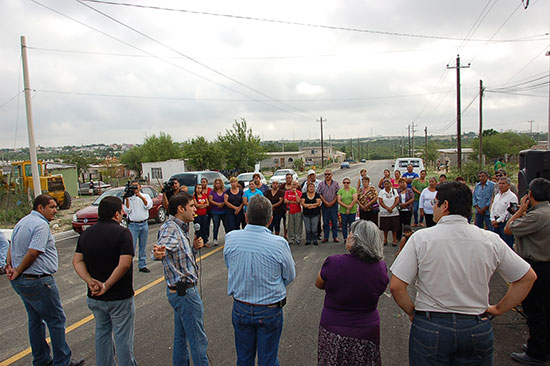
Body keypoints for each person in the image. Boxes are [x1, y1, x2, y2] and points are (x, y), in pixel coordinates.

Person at [390, 182, 537, 366]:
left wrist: (413, 312)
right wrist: (499, 309)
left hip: (430, 325)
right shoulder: (490, 239)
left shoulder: (421, 238)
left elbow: (396, 286)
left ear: (445, 206)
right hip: (475, 326)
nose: (433, 207)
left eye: (435, 202)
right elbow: (527, 277)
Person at [6, 194, 84, 366]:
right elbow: (34, 252)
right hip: (38, 281)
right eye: (51, 207)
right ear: (40, 208)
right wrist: (17, 269)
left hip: (22, 281)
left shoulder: (22, 222)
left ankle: (41, 359)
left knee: (35, 319)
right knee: (56, 320)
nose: (55, 210)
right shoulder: (40, 225)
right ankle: (62, 361)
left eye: (56, 207)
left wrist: (9, 266)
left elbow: (11, 245)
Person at [224, 195, 296, 366]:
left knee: (244, 359)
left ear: (246, 217)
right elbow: (289, 275)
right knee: (268, 359)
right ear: (271, 220)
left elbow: (230, 266)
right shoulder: (279, 243)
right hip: (269, 308)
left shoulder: (231, 238)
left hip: (241, 305)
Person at [72, 196, 137, 366]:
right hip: (119, 297)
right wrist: (106, 285)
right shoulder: (123, 233)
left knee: (102, 333)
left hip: (95, 297)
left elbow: (77, 261)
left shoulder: (86, 235)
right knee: (123, 337)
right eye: (122, 211)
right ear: (116, 214)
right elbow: (124, 264)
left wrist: (90, 281)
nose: (123, 214)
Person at [315, 220, 388, 366]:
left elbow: (319, 283)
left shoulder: (334, 262)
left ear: (357, 239)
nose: (348, 236)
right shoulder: (380, 268)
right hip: (367, 329)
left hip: (334, 326)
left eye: (351, 233)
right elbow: (379, 290)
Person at [153, 192, 209, 366]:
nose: (195, 209)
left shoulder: (180, 227)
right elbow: (162, 249)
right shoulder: (171, 229)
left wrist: (193, 248)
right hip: (185, 295)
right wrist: (158, 253)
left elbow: (178, 257)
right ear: (180, 209)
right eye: (192, 206)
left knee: (181, 338)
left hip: (180, 293)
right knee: (198, 340)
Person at [505, 178, 550, 365]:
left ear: (530, 195)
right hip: (545, 266)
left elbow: (508, 228)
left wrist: (521, 211)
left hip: (536, 266)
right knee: (545, 309)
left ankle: (536, 352)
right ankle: (543, 345)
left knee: (534, 311)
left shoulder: (537, 216)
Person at [124, 180, 153, 273]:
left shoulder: (146, 196)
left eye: (136, 186)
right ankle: (128, 266)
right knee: (131, 246)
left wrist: (140, 196)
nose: (135, 188)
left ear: (140, 187)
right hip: (133, 224)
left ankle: (142, 265)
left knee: (143, 246)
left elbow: (148, 206)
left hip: (144, 223)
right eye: (133, 186)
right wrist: (127, 198)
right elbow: (127, 210)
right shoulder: (129, 198)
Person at [490, 176, 518, 248]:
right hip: (495, 222)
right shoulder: (497, 195)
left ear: (508, 185)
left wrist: (498, 221)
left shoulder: (513, 197)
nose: (501, 185)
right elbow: (493, 207)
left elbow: (510, 211)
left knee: (507, 244)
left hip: (505, 223)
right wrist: (492, 219)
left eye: (503, 183)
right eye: (500, 183)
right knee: (497, 244)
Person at [318, 169, 340, 243]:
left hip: (334, 205)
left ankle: (335, 236)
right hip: (325, 205)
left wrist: (333, 202)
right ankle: (326, 237)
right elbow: (319, 194)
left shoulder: (336, 183)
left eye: (329, 174)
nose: (327, 176)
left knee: (334, 221)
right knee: (325, 222)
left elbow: (338, 193)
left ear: (332, 175)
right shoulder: (321, 184)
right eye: (326, 174)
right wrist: (325, 202)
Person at [378, 179, 400, 245]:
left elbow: (397, 200)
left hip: (394, 212)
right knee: (385, 227)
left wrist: (392, 207)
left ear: (391, 184)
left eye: (388, 184)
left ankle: (394, 239)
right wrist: (387, 208)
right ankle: (385, 239)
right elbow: (380, 201)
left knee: (394, 227)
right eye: (385, 184)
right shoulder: (382, 192)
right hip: (384, 212)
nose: (386, 185)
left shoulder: (394, 191)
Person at [209, 178, 229, 246]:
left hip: (224, 211)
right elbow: (210, 200)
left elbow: (227, 199)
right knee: (216, 226)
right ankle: (215, 239)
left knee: (226, 225)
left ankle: (228, 238)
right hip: (215, 211)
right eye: (216, 183)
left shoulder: (225, 191)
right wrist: (218, 204)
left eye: (219, 183)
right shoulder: (212, 191)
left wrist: (223, 203)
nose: (218, 185)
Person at [301, 182, 322, 246]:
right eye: (310, 187)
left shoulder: (317, 195)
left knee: (314, 229)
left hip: (315, 214)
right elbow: (302, 203)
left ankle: (315, 240)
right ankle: (308, 240)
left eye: (312, 187)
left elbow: (318, 202)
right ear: (307, 188)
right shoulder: (304, 194)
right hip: (306, 214)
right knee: (308, 229)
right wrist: (308, 206)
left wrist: (311, 205)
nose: (311, 188)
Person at [285, 180, 303, 245]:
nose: (294, 186)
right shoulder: (287, 192)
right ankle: (291, 238)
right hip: (290, 210)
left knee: (298, 225)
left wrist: (295, 193)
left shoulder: (299, 193)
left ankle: (298, 238)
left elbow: (298, 201)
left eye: (295, 185)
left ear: (297, 185)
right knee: (290, 225)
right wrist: (293, 202)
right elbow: (285, 201)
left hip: (297, 210)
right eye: (293, 184)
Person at [280, 173, 294, 239]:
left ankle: (292, 234)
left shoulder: (294, 186)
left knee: (291, 222)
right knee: (285, 221)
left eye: (289, 178)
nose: (288, 179)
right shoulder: (282, 186)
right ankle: (285, 234)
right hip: (283, 207)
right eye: (287, 178)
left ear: (292, 179)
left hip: (292, 207)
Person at [200, 178, 213, 245]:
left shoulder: (210, 190)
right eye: (202, 182)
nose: (203, 184)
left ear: (207, 183)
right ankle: (202, 239)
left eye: (204, 182)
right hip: (202, 211)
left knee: (207, 225)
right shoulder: (199, 190)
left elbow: (210, 200)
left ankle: (206, 239)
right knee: (202, 225)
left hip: (209, 209)